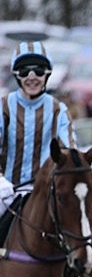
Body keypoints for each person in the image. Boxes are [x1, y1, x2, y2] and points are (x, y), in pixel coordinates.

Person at [0, 41, 77, 231]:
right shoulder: (3, 107)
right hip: (5, 191)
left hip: (46, 192)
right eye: (25, 71)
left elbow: (68, 154)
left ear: (48, 74)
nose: (32, 77)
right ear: (16, 75)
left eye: (39, 71)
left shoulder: (59, 110)